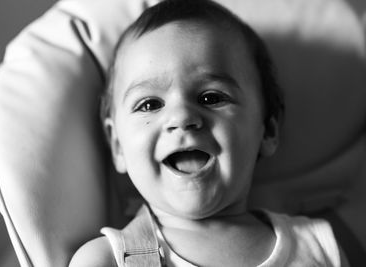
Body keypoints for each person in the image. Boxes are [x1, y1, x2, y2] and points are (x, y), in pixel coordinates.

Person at [69, 0, 348, 266]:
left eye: (211, 98)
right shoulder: (105, 260)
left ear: (268, 131)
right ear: (118, 145)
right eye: (150, 104)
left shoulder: (318, 246)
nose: (182, 117)